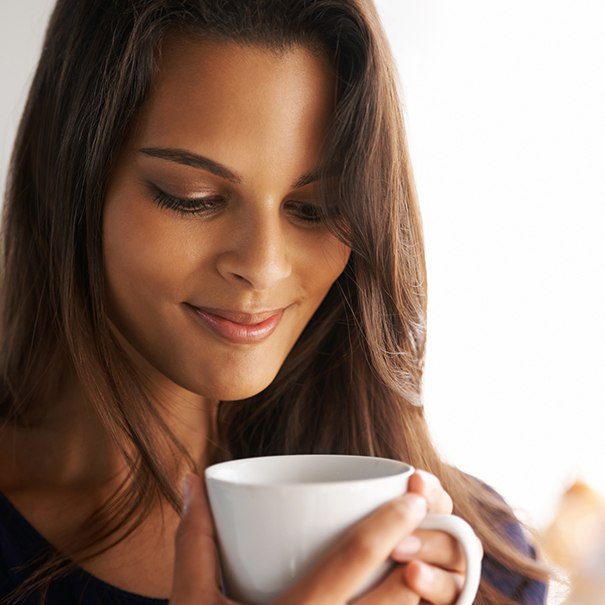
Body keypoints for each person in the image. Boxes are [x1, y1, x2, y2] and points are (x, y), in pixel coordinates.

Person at [0, 1, 549, 603]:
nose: (263, 266)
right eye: (193, 197)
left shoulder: (477, 563)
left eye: (314, 208)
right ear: (66, 180)